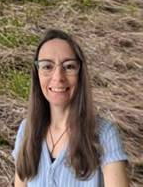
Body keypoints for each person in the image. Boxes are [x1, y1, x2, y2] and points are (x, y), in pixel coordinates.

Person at [13, 29, 130, 186]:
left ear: (80, 74)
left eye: (68, 66)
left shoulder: (105, 134)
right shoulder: (26, 130)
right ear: (37, 73)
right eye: (47, 66)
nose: (58, 77)